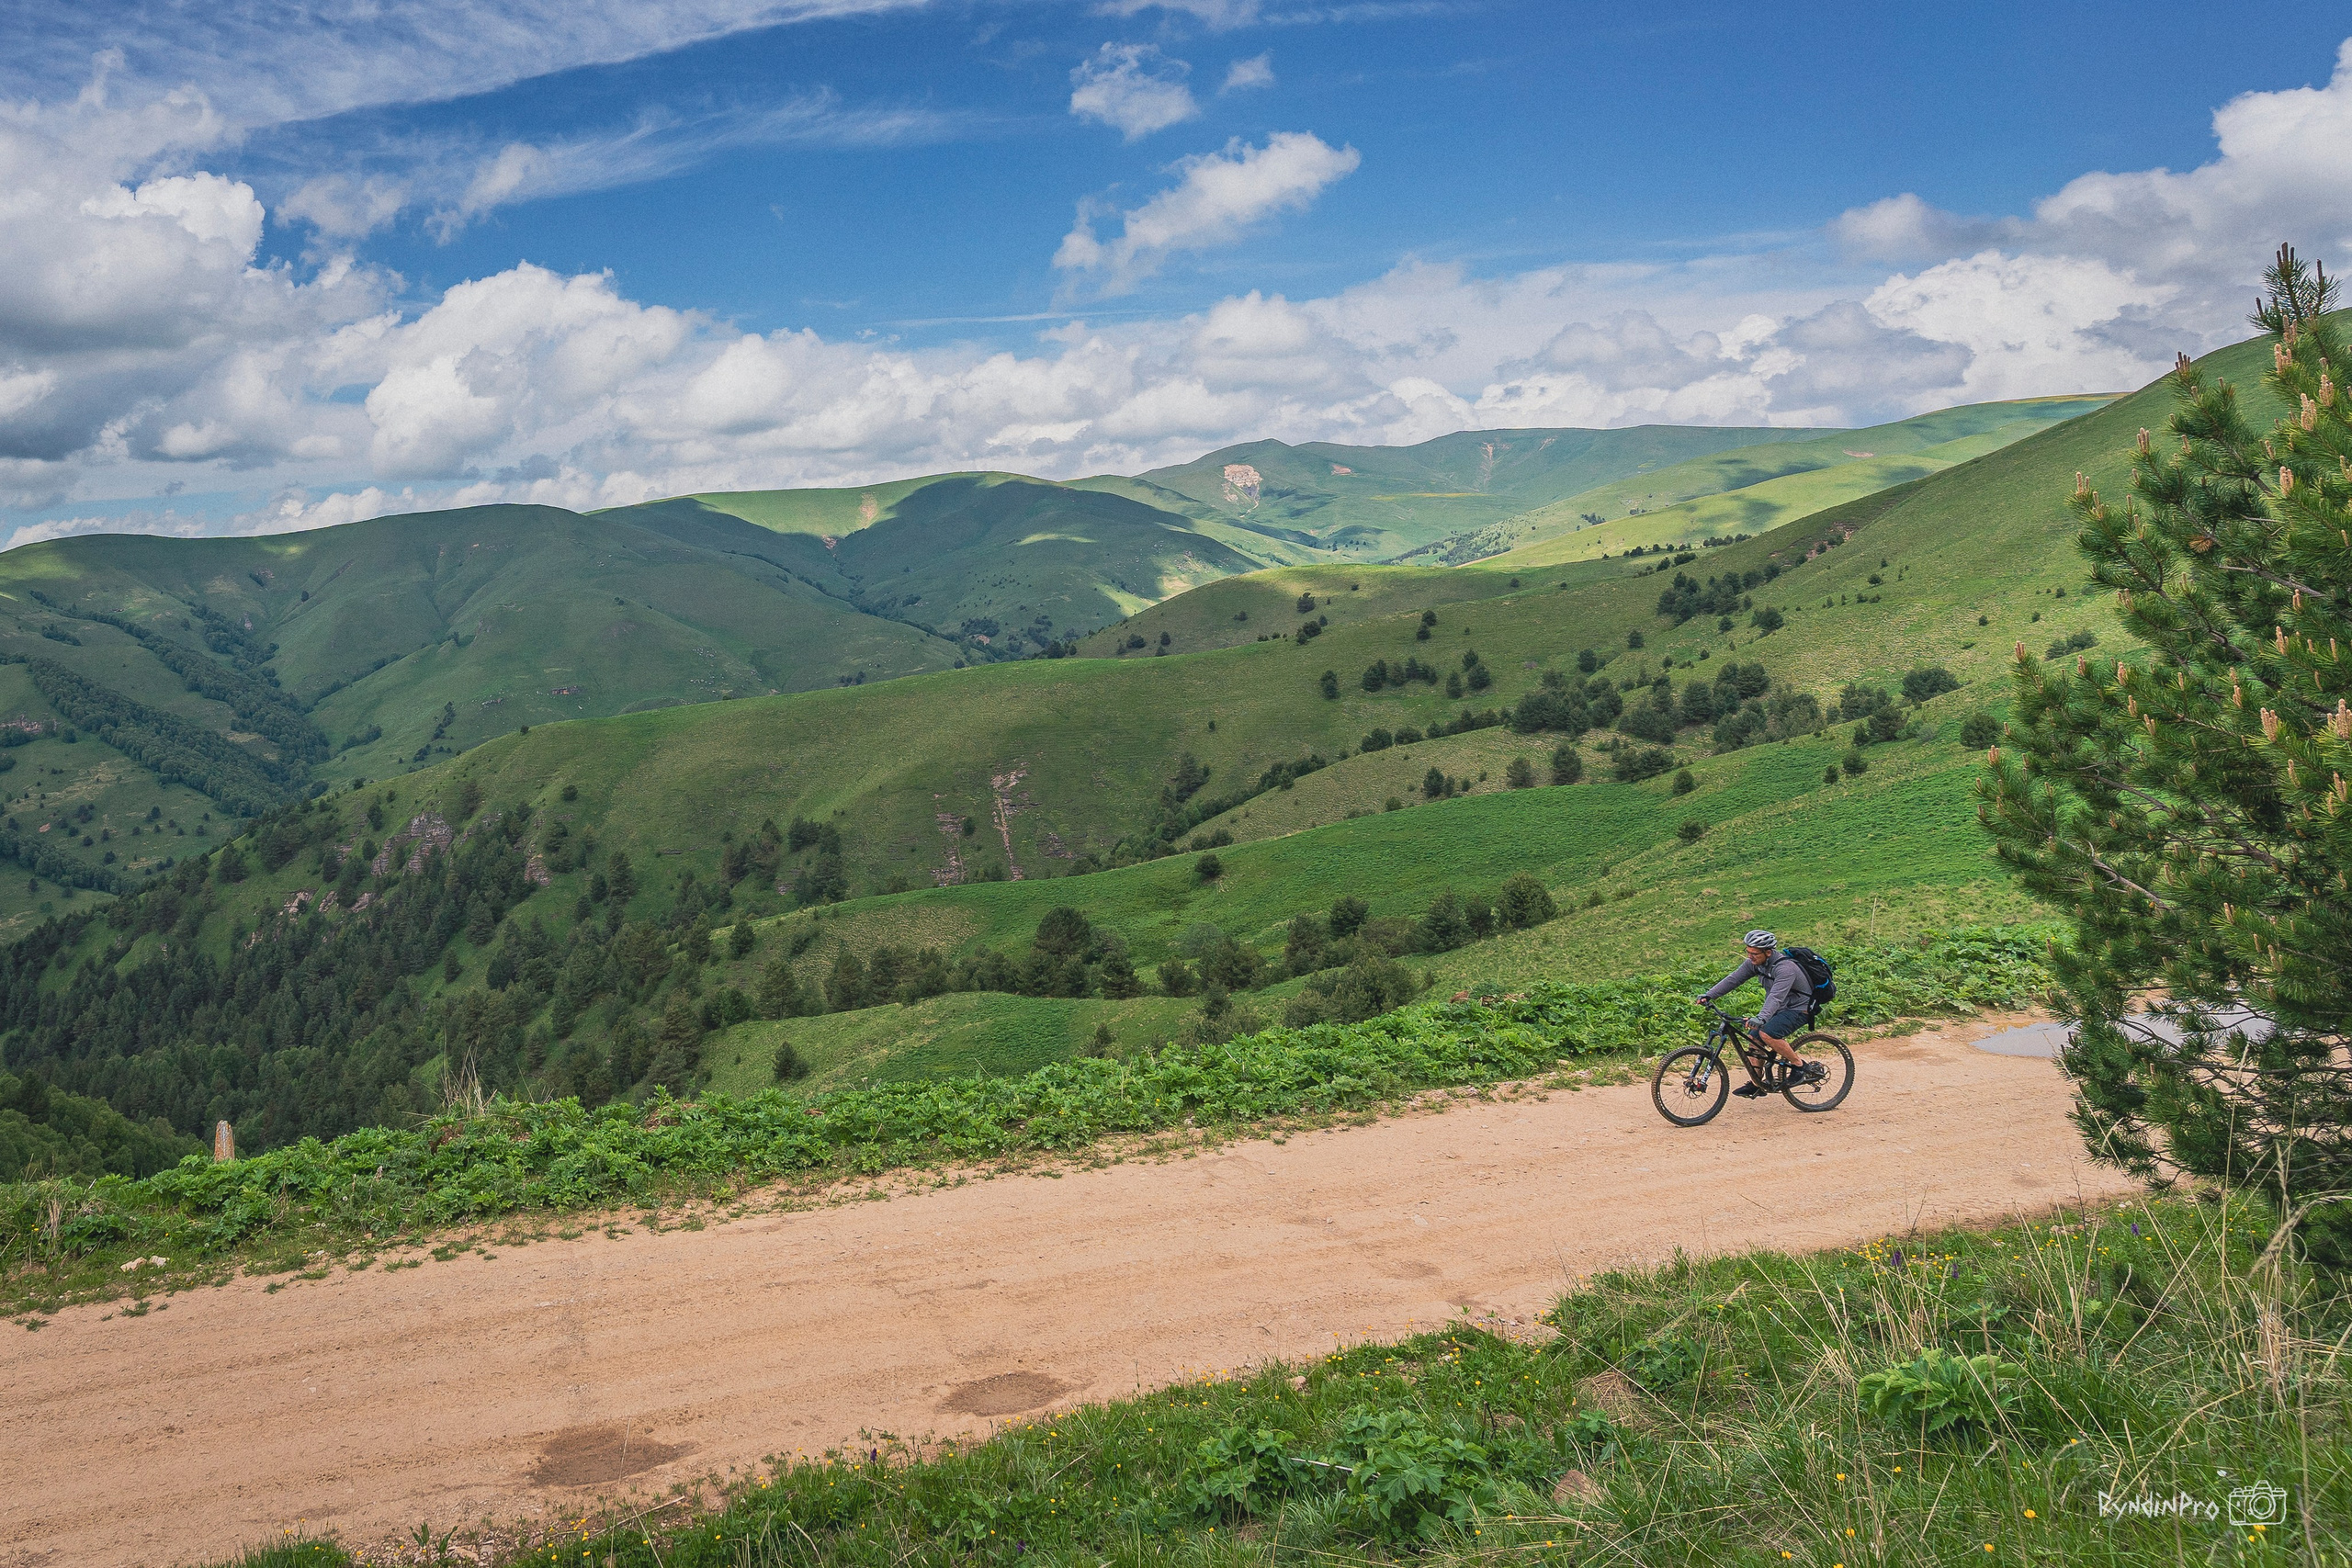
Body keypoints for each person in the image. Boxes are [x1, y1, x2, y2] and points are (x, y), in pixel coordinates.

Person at [1697, 930, 1826, 1097]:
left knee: (1767, 1034)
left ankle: (1799, 1066)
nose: (1750, 957)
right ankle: (1757, 1082)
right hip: (1779, 1008)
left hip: (1799, 1009)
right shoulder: (1755, 963)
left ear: (1768, 952)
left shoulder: (1786, 969)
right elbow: (1734, 979)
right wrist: (1709, 994)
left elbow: (1776, 996)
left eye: (1754, 953)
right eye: (1748, 952)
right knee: (1754, 1037)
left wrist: (1761, 1018)